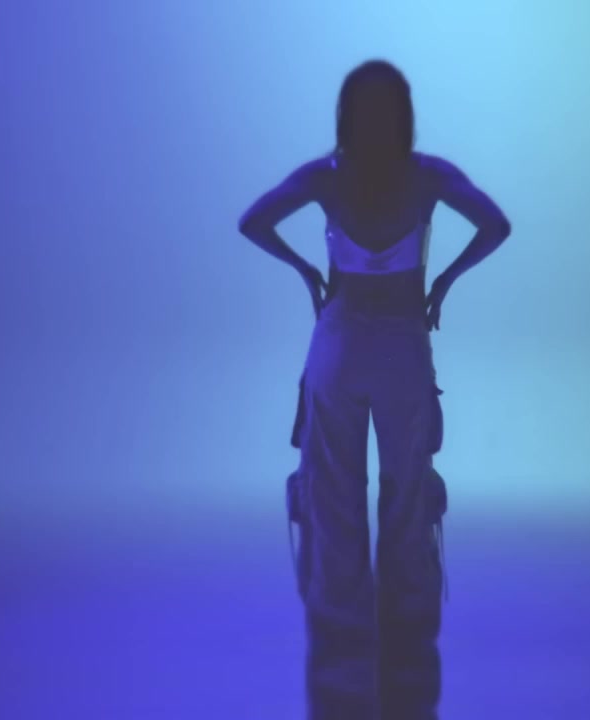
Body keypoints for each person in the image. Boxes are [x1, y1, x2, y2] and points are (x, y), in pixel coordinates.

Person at [237, 59, 511, 720]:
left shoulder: (325, 176)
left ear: (347, 115)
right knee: (407, 495)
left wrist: (305, 268)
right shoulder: (429, 175)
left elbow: (254, 221)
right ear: (403, 115)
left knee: (332, 495)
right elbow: (495, 225)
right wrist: (443, 281)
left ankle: (341, 656)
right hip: (403, 353)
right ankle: (406, 653)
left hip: (337, 348)